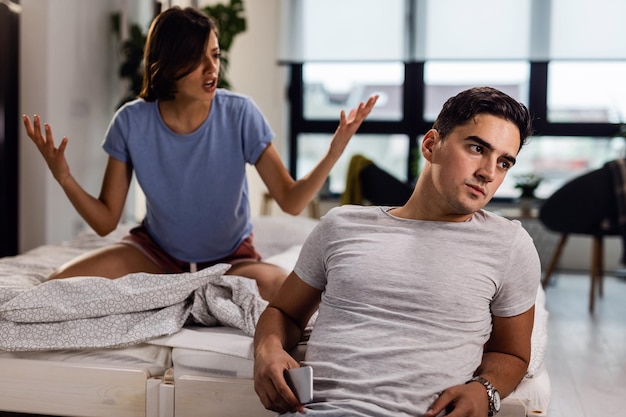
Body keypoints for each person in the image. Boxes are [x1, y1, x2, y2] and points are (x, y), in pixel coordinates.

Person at [22, 6, 377, 301]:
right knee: (56, 285)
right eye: (198, 59)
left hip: (231, 260)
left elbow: (291, 201)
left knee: (297, 296)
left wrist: (334, 150)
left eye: (215, 55)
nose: (213, 69)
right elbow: (105, 222)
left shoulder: (240, 113)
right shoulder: (131, 121)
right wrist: (64, 177)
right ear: (170, 63)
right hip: (156, 255)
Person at [253, 86, 539, 417]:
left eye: (504, 162)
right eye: (477, 148)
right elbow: (284, 312)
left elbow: (513, 354)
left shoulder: (509, 245)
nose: (489, 173)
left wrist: (484, 390)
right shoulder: (341, 226)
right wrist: (267, 348)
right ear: (432, 145)